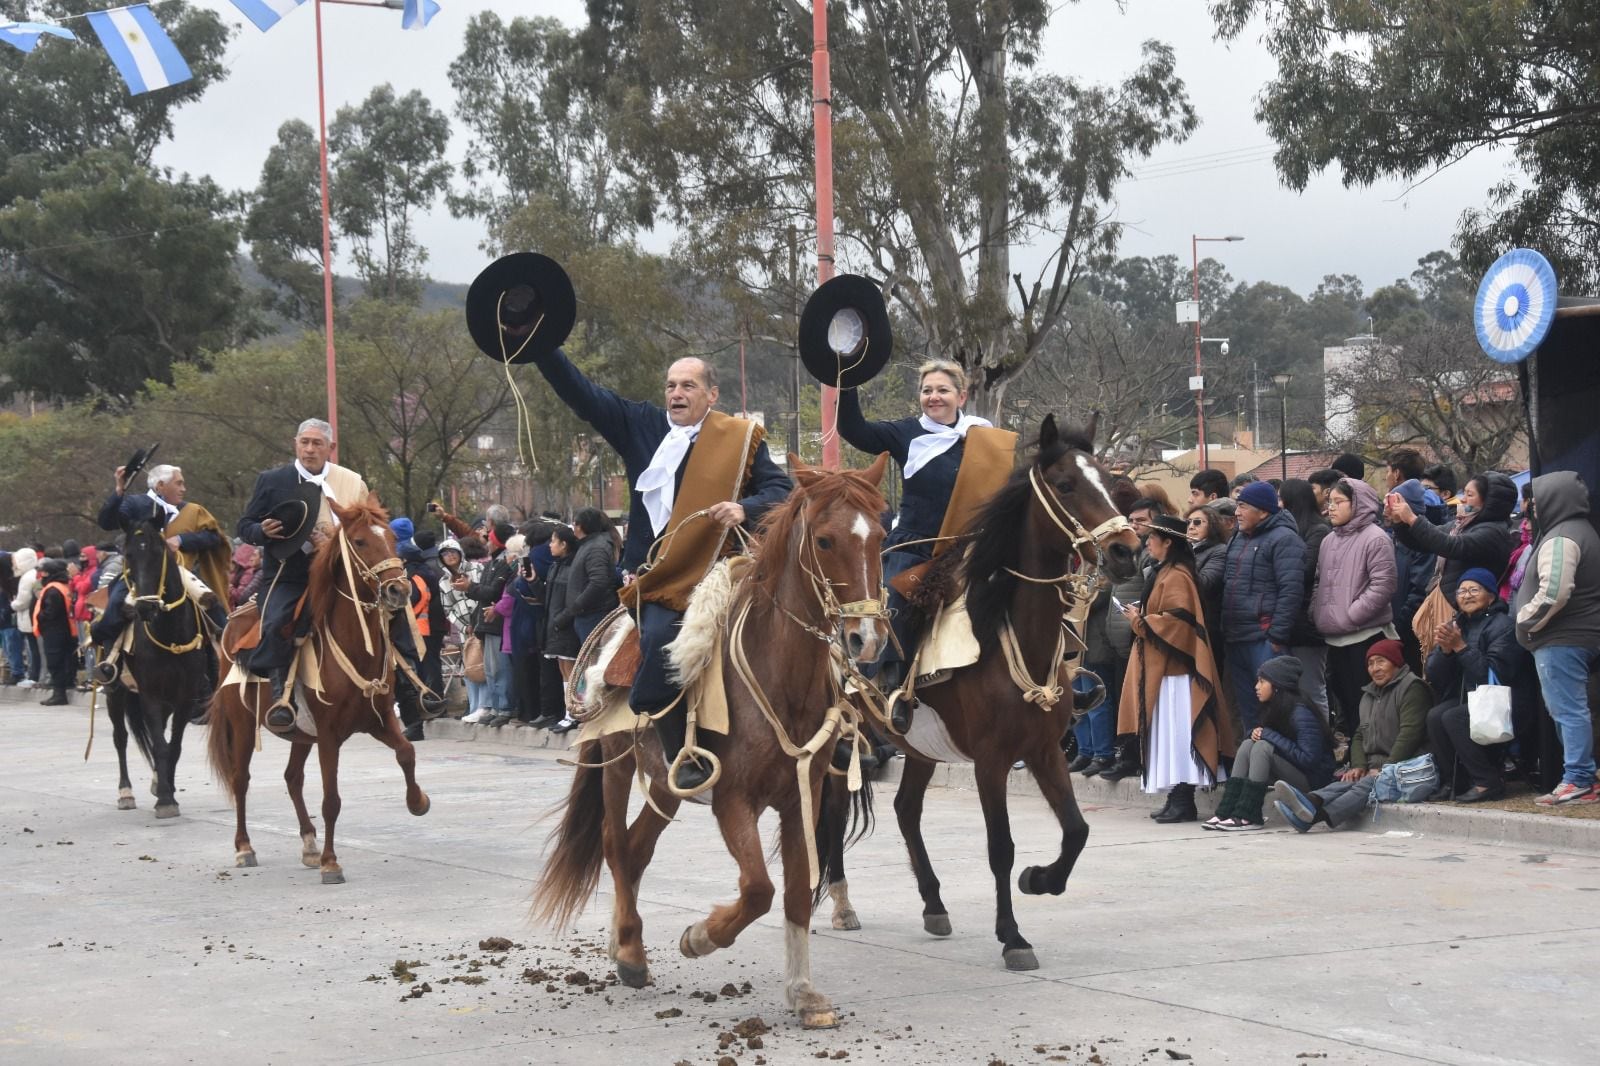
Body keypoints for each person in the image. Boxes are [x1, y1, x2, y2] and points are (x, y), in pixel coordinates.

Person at [524, 343, 790, 791]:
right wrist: (544, 349)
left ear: (712, 395)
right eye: (671, 385)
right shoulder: (640, 425)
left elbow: (781, 490)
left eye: (688, 385)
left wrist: (746, 507)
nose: (676, 393)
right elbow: (583, 394)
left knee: (802, 618)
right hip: (658, 579)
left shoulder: (740, 438)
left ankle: (839, 727)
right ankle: (678, 749)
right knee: (662, 639)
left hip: (723, 568)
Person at [836, 359, 1011, 732]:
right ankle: (893, 686)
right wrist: (847, 381)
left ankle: (1054, 678)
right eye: (927, 390)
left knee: (1027, 586)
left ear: (961, 395)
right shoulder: (905, 433)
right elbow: (853, 429)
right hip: (916, 548)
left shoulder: (986, 438)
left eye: (942, 390)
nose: (934, 397)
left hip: (971, 550)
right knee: (893, 602)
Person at [236, 418, 434, 734]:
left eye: (317, 443)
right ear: (295, 444)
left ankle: (412, 691)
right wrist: (260, 531)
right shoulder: (272, 480)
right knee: (275, 622)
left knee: (394, 612)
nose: (310, 449)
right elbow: (244, 525)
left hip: (345, 575)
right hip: (290, 573)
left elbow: (369, 524)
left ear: (330, 447)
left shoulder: (352, 482)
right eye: (305, 442)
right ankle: (282, 698)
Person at [1116, 514, 1230, 824]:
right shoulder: (1168, 571)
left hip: (1177, 672)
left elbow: (1179, 622)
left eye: (1153, 538)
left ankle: (1183, 799)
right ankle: (1176, 798)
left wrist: (1139, 621)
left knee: (1179, 736)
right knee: (1169, 735)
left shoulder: (1177, 574)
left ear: (1168, 542)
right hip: (1166, 670)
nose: (1147, 542)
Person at [1272, 639, 1431, 831]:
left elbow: (1410, 734)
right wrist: (1358, 765)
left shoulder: (1412, 687)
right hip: (1377, 766)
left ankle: (1314, 817)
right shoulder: (1368, 695)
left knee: (1366, 785)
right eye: (1370, 664)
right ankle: (1309, 801)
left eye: (1381, 661)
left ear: (1395, 662)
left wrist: (1387, 768)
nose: (1375, 668)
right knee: (1349, 780)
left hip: (1406, 767)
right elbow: (1359, 735)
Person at [1513, 472, 1600, 806]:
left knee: (1569, 710)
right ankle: (1583, 777)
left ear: (1551, 500)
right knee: (1569, 709)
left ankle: (1578, 778)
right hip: (1568, 636)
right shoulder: (1575, 531)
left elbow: (1555, 591)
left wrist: (1526, 623)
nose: (1530, 508)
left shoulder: (1563, 537)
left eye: (1534, 500)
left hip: (1562, 637)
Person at [92, 462, 231, 670]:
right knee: (114, 609)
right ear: (160, 486)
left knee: (213, 608)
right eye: (179, 483)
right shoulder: (134, 504)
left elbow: (213, 537)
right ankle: (110, 664)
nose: (184, 489)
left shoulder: (193, 511)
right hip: (139, 574)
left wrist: (182, 540)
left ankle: (229, 658)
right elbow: (106, 522)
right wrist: (119, 490)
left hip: (179, 571)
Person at [1424, 569, 1527, 803]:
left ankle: (1487, 782)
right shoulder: (1457, 623)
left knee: (1453, 716)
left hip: (1505, 700)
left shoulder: (1503, 626)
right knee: (1435, 715)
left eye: (1474, 590)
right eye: (1461, 591)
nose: (1466, 596)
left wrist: (1460, 647)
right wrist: (1445, 651)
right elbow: (1435, 677)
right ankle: (1454, 781)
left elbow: (1494, 674)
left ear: (1491, 596)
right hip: (1472, 696)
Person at [1312, 478, 1397, 740]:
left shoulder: (1376, 538)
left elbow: (1384, 585)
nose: (1331, 509)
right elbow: (1318, 581)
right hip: (1334, 636)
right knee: (1347, 705)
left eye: (1339, 502)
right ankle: (1355, 759)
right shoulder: (1328, 540)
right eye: (1330, 502)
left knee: (1368, 705)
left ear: (1358, 503)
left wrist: (1353, 614)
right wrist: (1317, 611)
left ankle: (1373, 762)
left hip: (1365, 636)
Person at [1205, 655, 1334, 830]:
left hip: (1313, 781)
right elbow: (1266, 735)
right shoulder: (1275, 706)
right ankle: (1226, 810)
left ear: (1278, 686)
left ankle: (1249, 815)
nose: (1256, 687)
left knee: (1263, 747)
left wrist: (1269, 736)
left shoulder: (1301, 713)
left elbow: (1309, 759)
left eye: (1262, 682)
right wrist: (1257, 733)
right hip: (1292, 771)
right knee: (1249, 744)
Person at [1220, 481, 1306, 733]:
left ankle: (1281, 764)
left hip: (1264, 638)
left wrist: (1276, 635)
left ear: (1264, 511)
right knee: (1249, 709)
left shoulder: (1284, 539)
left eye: (1243, 507)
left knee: (1276, 708)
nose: (1237, 512)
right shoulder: (1237, 537)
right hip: (1236, 635)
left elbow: (1291, 590)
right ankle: (1255, 768)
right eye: (1237, 506)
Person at [1387, 472, 1517, 610]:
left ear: (1488, 501)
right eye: (1464, 493)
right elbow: (1423, 542)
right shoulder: (1461, 524)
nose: (1463, 499)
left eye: (1470, 495)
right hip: (1447, 602)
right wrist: (1399, 522)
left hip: (1468, 610)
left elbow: (1451, 545)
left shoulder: (1494, 532)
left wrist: (1412, 519)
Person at [1277, 479, 1331, 722]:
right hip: (1289, 621)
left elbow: (1306, 569)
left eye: (1281, 499)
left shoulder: (1318, 530)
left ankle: (1322, 745)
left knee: (1311, 688)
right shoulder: (1288, 530)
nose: (1278, 505)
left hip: (1307, 622)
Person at [456, 523, 517, 727]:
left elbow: (492, 593)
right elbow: (484, 593)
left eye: (490, 538)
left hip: (498, 622)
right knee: (490, 669)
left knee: (500, 668)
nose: (487, 542)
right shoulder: (492, 563)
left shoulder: (504, 565)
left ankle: (505, 707)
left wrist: (470, 587)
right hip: (486, 623)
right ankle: (494, 706)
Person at [1388, 478, 1438, 671]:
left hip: (1411, 631)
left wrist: (1398, 627)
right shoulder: (1397, 538)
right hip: (1397, 626)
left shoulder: (1423, 543)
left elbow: (1419, 589)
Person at [539, 526, 582, 733]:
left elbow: (573, 599)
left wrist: (561, 619)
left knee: (572, 669)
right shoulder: (555, 566)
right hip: (554, 625)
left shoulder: (573, 566)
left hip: (566, 626)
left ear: (564, 544)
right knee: (563, 668)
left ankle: (576, 711)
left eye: (554, 541)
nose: (550, 545)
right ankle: (569, 711)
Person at [565, 508, 622, 646]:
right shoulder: (589, 544)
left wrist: (578, 605)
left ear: (580, 526)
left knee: (593, 660)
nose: (573, 527)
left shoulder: (596, 547)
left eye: (575, 523)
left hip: (593, 614)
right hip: (587, 614)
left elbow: (598, 582)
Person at [1186, 505, 1228, 662]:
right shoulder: (1188, 549)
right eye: (1188, 522)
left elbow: (1205, 583)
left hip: (1207, 626)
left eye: (1197, 522)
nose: (1191, 527)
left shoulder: (1219, 550)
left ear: (1212, 525)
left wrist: (1182, 556)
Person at [32, 559, 76, 705]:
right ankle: (65, 686)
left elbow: (51, 612)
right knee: (65, 660)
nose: (41, 575)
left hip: (54, 630)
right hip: (67, 629)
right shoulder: (64, 586)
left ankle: (59, 694)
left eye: (44, 572)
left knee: (55, 661)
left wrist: (40, 617)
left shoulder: (53, 589)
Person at [9, 548, 43, 688]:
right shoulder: (32, 574)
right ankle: (35, 674)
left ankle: (34, 676)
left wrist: (13, 604)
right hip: (30, 619)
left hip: (28, 619)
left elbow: (23, 601)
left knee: (34, 650)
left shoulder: (27, 577)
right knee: (34, 649)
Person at [229, 543, 261, 608]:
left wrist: (229, 588)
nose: (251, 558)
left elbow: (241, 597)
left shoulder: (249, 573)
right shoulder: (239, 570)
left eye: (254, 555)